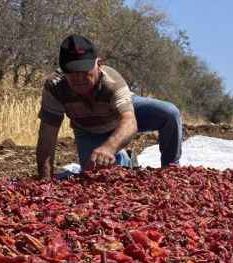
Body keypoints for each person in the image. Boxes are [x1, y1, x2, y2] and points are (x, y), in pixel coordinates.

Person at [36, 34, 182, 179]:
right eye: (72, 73)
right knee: (99, 174)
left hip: (120, 114)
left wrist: (109, 147)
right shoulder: (55, 86)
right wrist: (45, 180)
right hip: (89, 129)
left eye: (84, 71)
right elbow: (47, 137)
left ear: (98, 64)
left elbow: (130, 122)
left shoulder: (111, 82)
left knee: (169, 113)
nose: (79, 79)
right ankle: (127, 160)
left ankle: (171, 170)